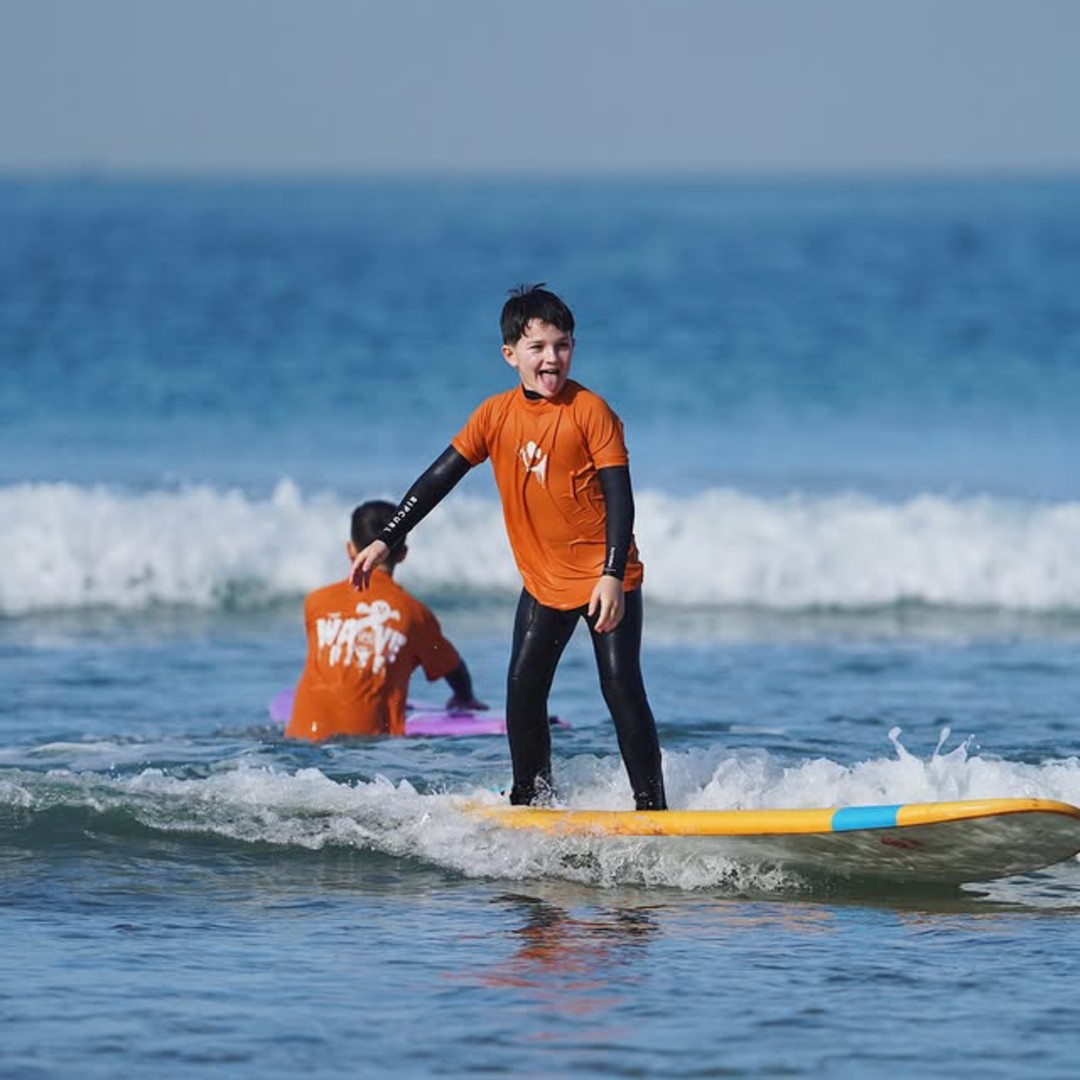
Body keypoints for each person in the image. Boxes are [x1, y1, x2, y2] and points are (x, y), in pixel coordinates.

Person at [350, 284, 667, 809]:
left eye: (562, 345)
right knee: (523, 691)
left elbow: (620, 498)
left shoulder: (591, 411)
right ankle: (532, 799)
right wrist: (388, 538)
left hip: (604, 578)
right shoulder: (494, 416)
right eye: (538, 347)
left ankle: (652, 806)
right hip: (543, 580)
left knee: (621, 688)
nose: (552, 358)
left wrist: (612, 572)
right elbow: (438, 479)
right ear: (511, 355)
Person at [286, 500, 484, 741]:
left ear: (350, 549)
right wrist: (465, 697)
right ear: (402, 555)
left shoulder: (315, 603)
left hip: (301, 738)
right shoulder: (414, 614)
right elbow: (453, 667)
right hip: (372, 750)